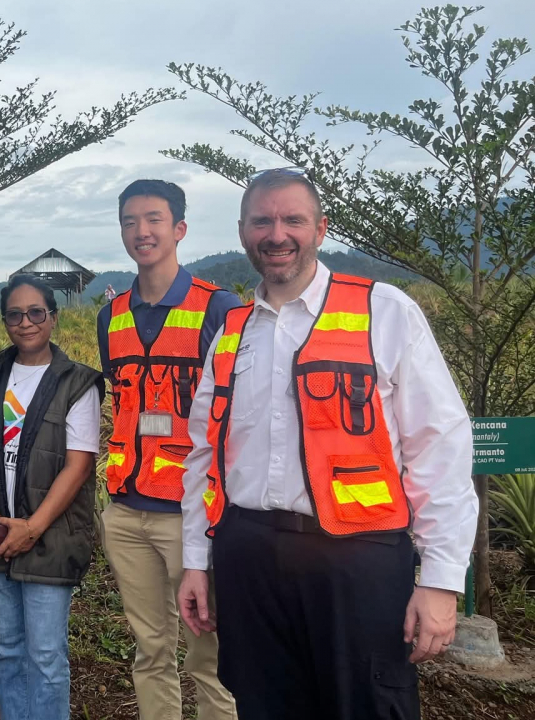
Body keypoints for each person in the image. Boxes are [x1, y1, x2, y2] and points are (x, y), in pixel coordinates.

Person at [178, 168, 478, 720]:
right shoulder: (233, 330)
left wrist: (440, 579)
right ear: (243, 231)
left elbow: (440, 449)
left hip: (357, 560)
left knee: (365, 706)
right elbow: (204, 454)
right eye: (262, 221)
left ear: (320, 228)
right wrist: (196, 561)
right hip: (249, 556)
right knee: (264, 705)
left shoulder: (383, 311)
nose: (277, 234)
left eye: (293, 219)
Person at [96, 179, 240, 720]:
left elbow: (238, 415)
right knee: (150, 651)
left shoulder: (218, 309)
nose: (142, 231)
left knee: (210, 653)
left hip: (193, 514)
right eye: (130, 221)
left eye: (154, 220)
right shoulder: (112, 316)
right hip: (128, 512)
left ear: (179, 228)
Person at [0, 275, 102, 720]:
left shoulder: (77, 381)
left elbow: (79, 465)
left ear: (53, 317)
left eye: (36, 313)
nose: (25, 322)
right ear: (4, 319)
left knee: (46, 655)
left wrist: (33, 527)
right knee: (6, 649)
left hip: (50, 535)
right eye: (15, 314)